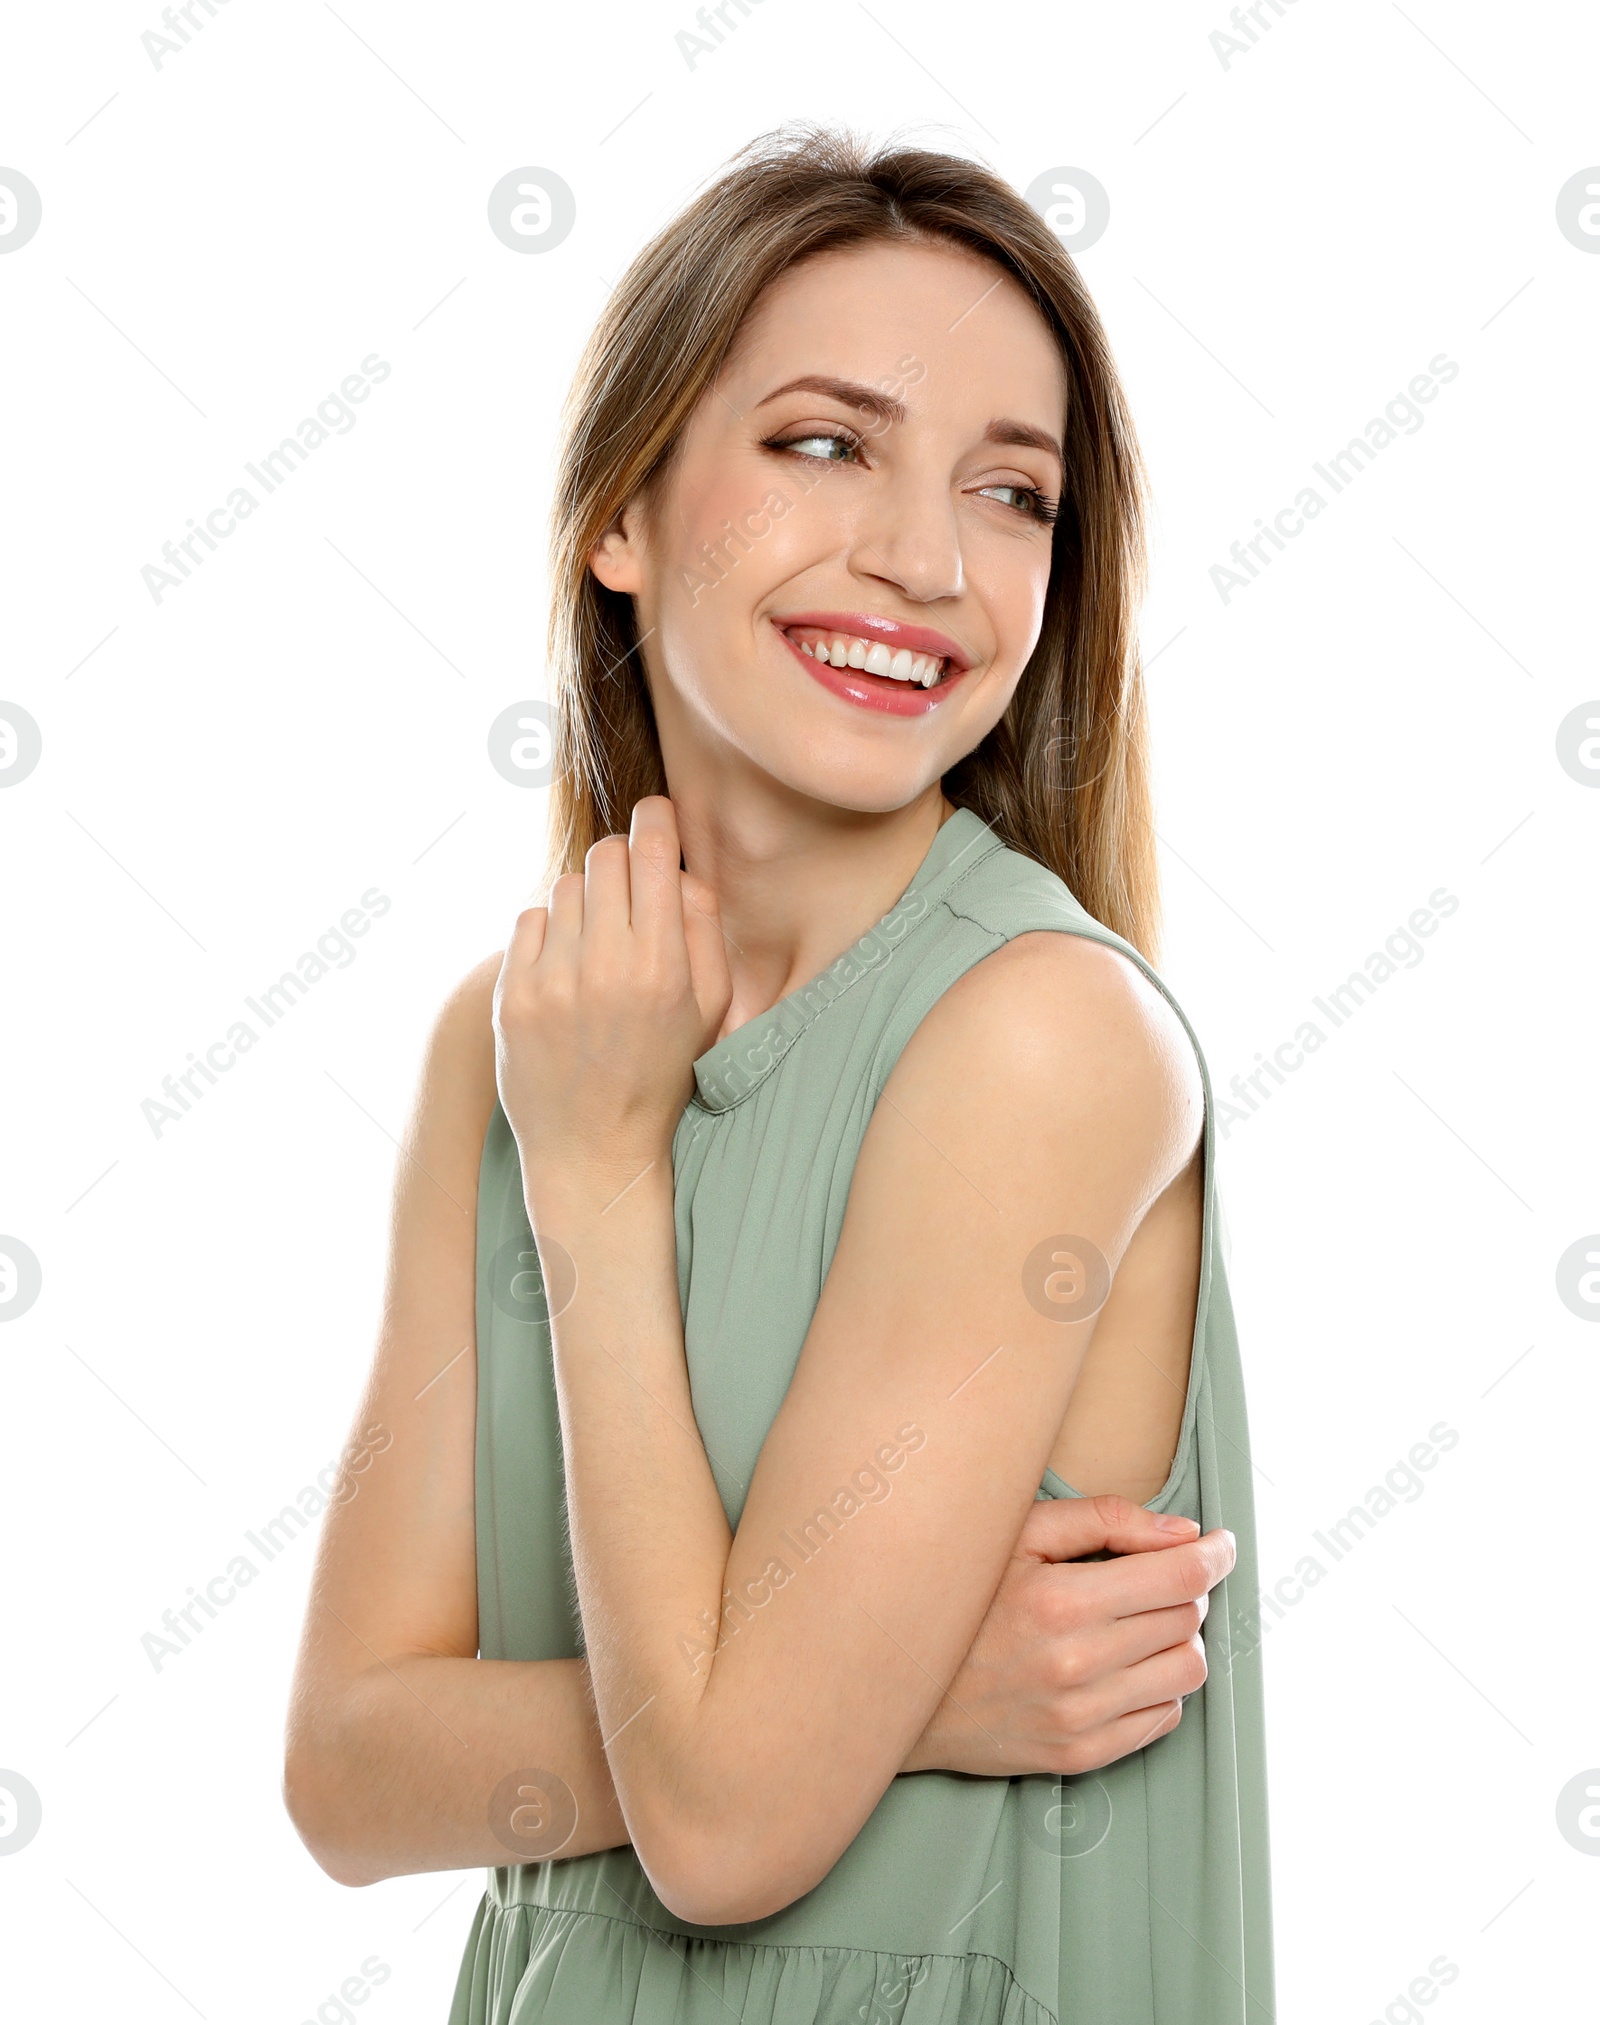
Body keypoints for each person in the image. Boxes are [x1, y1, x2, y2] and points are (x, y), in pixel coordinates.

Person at [284, 124, 1274, 2024]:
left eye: (1014, 492)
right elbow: (343, 1768)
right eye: (826, 443)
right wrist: (910, 1700)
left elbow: (730, 1824)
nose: (925, 558)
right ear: (622, 514)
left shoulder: (1044, 1037)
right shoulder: (519, 1030)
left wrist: (597, 1178)